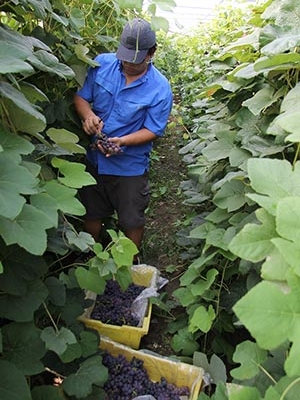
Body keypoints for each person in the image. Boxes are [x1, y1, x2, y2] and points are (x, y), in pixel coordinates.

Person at [74, 18, 173, 262]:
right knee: (92, 211)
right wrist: (88, 116)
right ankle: (91, 258)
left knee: (131, 218)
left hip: (130, 165)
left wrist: (124, 141)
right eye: (125, 56)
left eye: (136, 59)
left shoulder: (160, 88)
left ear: (152, 53)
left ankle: (130, 264)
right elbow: (81, 97)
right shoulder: (101, 65)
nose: (129, 63)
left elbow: (153, 129)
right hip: (95, 157)